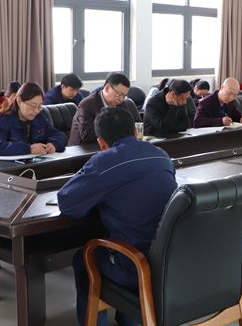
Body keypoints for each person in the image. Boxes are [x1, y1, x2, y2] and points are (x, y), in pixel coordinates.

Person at [57, 107, 177, 326]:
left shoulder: (104, 161)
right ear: (135, 131)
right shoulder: (160, 154)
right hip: (170, 260)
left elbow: (68, 204)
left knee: (84, 259)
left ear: (101, 143)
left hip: (135, 266)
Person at [0, 82, 66, 159]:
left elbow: (58, 135)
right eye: (32, 105)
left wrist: (53, 144)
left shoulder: (39, 117)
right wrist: (29, 149)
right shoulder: (2, 119)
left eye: (39, 106)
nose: (36, 110)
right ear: (19, 101)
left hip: (27, 164)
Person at [67, 73, 141, 146]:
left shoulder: (122, 103)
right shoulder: (87, 104)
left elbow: (128, 125)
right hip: (82, 148)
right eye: (119, 94)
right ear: (107, 88)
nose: (121, 99)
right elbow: (87, 135)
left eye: (124, 96)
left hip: (111, 145)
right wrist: (116, 130)